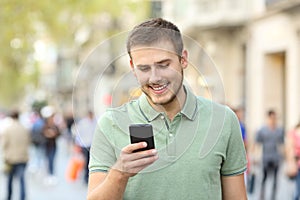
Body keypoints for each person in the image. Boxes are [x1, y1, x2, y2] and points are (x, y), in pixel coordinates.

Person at [87, 18, 247, 200]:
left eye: (164, 65)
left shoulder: (224, 120)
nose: (154, 78)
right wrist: (120, 173)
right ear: (133, 68)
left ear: (183, 59)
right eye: (144, 68)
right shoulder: (111, 124)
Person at [1, 110, 31, 200]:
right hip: (22, 157)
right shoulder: (24, 129)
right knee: (21, 179)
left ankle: (9, 197)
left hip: (10, 158)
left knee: (9, 180)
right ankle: (22, 197)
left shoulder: (7, 129)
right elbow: (28, 142)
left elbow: (3, 144)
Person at [255, 110, 284, 200]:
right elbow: (257, 144)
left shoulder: (279, 130)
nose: (273, 120)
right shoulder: (262, 130)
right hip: (265, 158)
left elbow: (282, 144)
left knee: (275, 180)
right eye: (271, 118)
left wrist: (285, 157)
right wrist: (255, 157)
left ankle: (273, 197)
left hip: (276, 158)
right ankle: (262, 196)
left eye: (274, 118)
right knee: (264, 179)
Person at [74, 110, 97, 184]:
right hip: (85, 144)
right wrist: (78, 144)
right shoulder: (83, 123)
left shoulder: (95, 121)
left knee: (91, 161)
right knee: (86, 161)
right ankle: (85, 177)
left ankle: (90, 176)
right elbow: (78, 134)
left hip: (93, 144)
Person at [41, 106, 61, 184]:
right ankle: (49, 174)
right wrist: (47, 134)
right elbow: (42, 133)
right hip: (46, 145)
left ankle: (52, 174)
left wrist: (54, 134)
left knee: (52, 160)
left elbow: (59, 133)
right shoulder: (45, 126)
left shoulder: (55, 126)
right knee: (48, 160)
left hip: (53, 145)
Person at [286, 121, 300, 200]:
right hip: (296, 164)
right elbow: (289, 148)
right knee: (297, 189)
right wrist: (290, 163)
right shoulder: (293, 133)